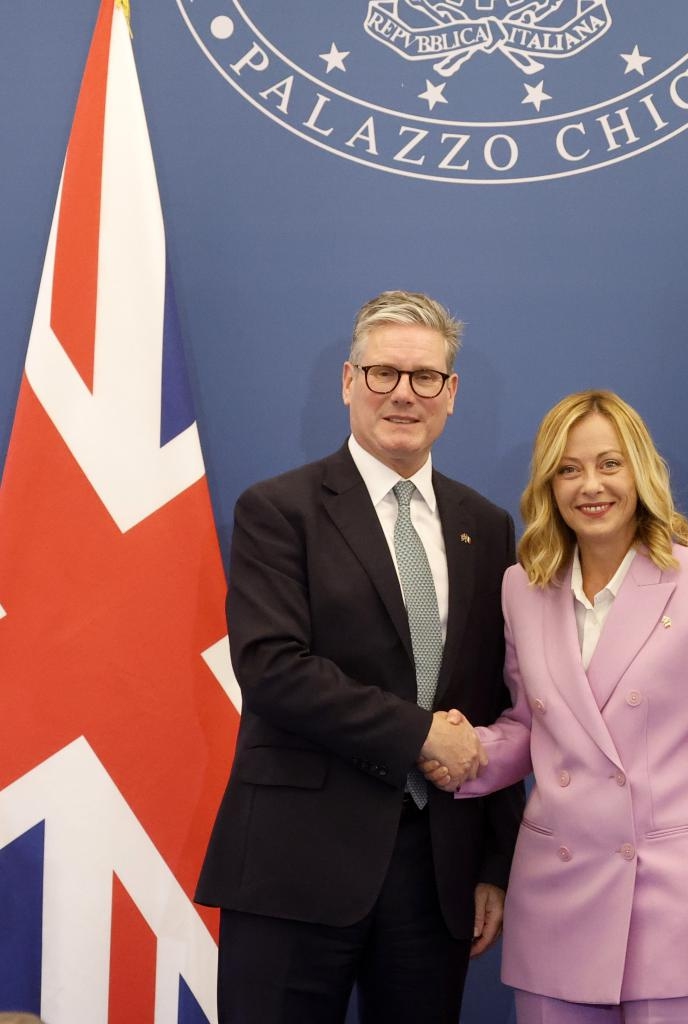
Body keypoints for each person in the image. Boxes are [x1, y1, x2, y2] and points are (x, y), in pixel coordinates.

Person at [196, 290, 524, 1024]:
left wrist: (492, 865)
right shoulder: (279, 510)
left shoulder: (487, 526)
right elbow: (273, 667)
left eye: (424, 377)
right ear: (348, 382)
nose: (403, 394)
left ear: (451, 394)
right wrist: (418, 735)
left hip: (434, 875)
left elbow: (498, 700)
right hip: (295, 867)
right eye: (383, 373)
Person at [422, 389, 688, 1024]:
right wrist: (466, 755)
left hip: (679, 904)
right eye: (569, 468)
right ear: (548, 485)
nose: (591, 485)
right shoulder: (521, 591)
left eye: (609, 464)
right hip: (558, 896)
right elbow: (536, 729)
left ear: (640, 471)